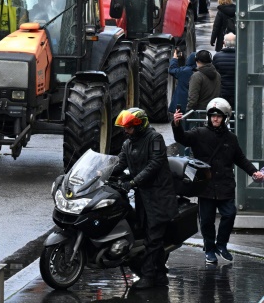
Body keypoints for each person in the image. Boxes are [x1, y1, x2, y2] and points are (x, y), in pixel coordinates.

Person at [172, 99, 264, 264]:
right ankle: (209, 249)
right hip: (205, 186)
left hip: (225, 185)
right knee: (206, 220)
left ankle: (221, 245)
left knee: (229, 214)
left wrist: (254, 172)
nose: (215, 119)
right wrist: (176, 124)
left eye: (218, 116)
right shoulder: (199, 133)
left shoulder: (231, 138)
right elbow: (183, 139)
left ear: (225, 118)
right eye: (212, 116)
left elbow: (240, 159)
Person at [111, 108, 177, 289]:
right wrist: (101, 172)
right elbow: (119, 163)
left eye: (129, 128)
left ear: (139, 125)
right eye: (125, 128)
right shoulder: (128, 143)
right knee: (143, 232)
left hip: (159, 195)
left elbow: (154, 164)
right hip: (142, 195)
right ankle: (160, 275)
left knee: (154, 237)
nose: (126, 131)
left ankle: (148, 276)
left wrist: (133, 182)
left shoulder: (155, 139)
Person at [212, 33, 236, 108]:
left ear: (224, 43)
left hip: (222, 91)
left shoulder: (217, 56)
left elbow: (214, 73)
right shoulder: (240, 56)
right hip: (237, 90)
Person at [169, 49, 197, 114]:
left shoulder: (184, 71)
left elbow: (172, 70)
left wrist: (175, 58)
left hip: (181, 105)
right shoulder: (201, 72)